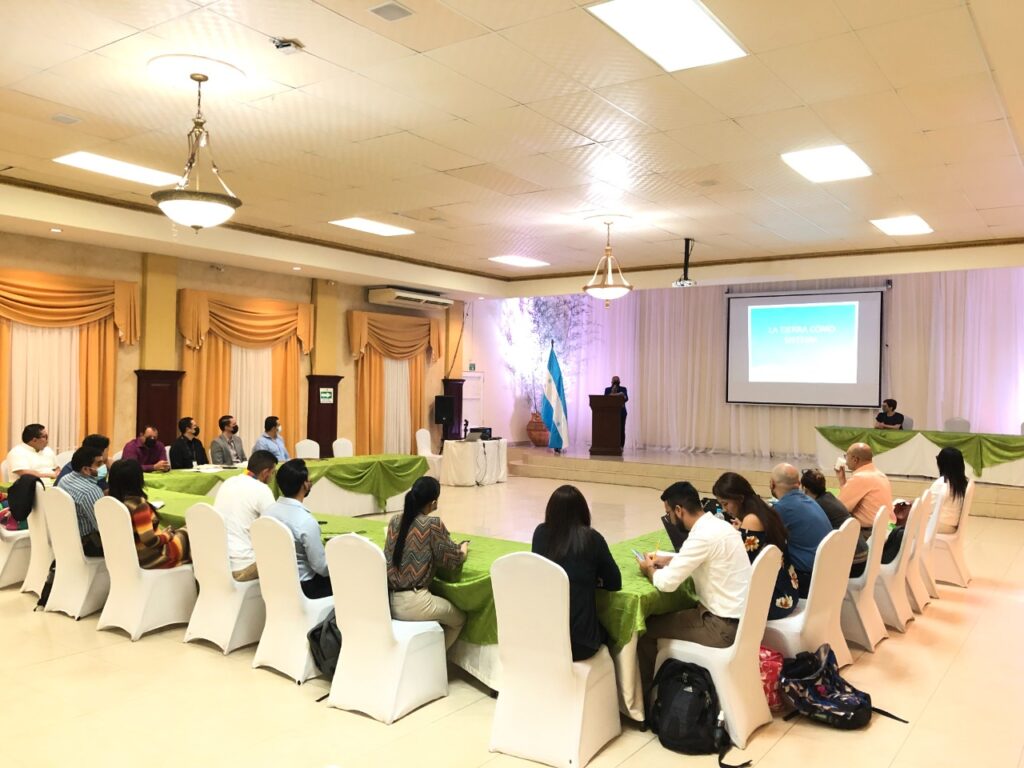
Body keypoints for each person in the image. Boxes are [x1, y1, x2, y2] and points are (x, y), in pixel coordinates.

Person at [636, 481, 752, 696]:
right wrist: (669, 559)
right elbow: (702, 557)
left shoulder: (701, 536)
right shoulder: (721, 526)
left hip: (720, 627)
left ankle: (650, 698)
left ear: (679, 510)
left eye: (669, 514)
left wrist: (649, 569)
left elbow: (666, 584)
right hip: (743, 621)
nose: (670, 519)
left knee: (646, 629)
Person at [531, 485, 622, 661]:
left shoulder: (540, 534)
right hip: (581, 644)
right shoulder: (592, 538)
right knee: (612, 634)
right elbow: (614, 582)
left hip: (544, 638)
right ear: (583, 511)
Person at [384, 476, 468, 649]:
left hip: (388, 600)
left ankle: (427, 654)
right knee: (459, 619)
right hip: (415, 602)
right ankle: (437, 658)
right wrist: (463, 548)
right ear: (434, 502)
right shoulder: (432, 524)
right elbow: (452, 559)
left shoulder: (395, 520)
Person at [711, 472, 799, 620]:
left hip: (775, 598)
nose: (725, 509)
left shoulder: (751, 520)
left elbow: (742, 564)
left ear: (740, 498)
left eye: (725, 504)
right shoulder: (764, 510)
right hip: (787, 591)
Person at [262, 459, 329, 597]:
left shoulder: (267, 513)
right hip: (304, 587)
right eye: (308, 480)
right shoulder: (306, 521)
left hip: (273, 582)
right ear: (304, 485)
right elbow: (321, 567)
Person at [107, 459, 190, 568]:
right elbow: (150, 540)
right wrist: (166, 535)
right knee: (192, 531)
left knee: (182, 532)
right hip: (154, 557)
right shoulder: (139, 506)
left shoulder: (111, 502)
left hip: (129, 557)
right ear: (137, 479)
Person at [767, 464, 833, 597]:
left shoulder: (782, 508)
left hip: (807, 579)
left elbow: (765, 536)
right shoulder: (809, 500)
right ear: (798, 483)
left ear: (772, 484)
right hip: (827, 573)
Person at [213, 450, 277, 581]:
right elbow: (275, 529)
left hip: (218, 562)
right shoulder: (262, 490)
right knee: (286, 558)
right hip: (244, 565)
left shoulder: (228, 482)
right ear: (265, 472)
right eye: (273, 473)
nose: (272, 477)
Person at [800, 468, 868, 577]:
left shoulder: (817, 506)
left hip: (853, 563)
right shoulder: (829, 497)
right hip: (862, 557)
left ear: (804, 489)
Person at [55, 445, 106, 557]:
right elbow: (102, 528)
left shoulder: (65, 479)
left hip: (66, 537)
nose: (103, 467)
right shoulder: (91, 491)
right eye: (99, 464)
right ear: (85, 469)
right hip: (87, 543)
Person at [838, 442, 894, 529]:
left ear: (855, 459)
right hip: (885, 529)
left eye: (846, 456)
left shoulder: (860, 477)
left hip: (869, 532)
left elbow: (840, 508)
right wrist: (842, 479)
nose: (845, 460)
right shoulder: (879, 474)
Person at [931, 447, 970, 534]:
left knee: (902, 526)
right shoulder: (963, 483)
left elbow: (929, 509)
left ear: (942, 464)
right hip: (951, 526)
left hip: (939, 526)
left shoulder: (942, 483)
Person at [604, 376, 629, 449]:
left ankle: (621, 446)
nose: (615, 381)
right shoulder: (607, 389)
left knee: (621, 429)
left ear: (619, 382)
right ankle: (610, 445)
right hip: (610, 413)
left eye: (617, 380)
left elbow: (626, 398)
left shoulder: (623, 389)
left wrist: (620, 394)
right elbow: (605, 399)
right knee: (610, 429)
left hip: (622, 413)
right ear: (611, 382)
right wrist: (618, 394)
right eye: (614, 380)